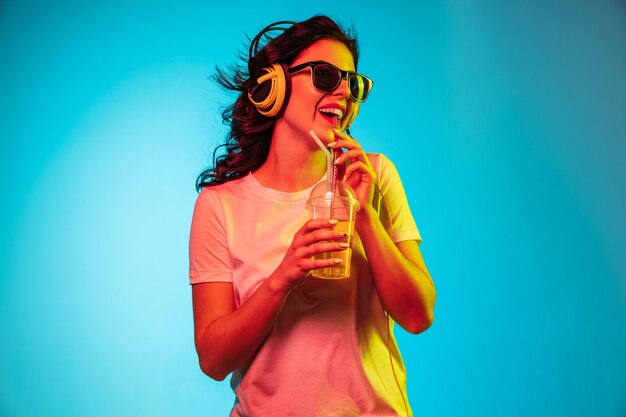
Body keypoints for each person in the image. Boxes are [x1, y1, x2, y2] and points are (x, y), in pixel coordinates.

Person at [189, 15, 436, 417]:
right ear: (275, 84)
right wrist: (283, 277)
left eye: (353, 83)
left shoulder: (375, 176)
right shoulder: (220, 206)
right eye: (325, 76)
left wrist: (365, 217)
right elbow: (213, 360)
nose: (343, 92)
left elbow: (418, 314)